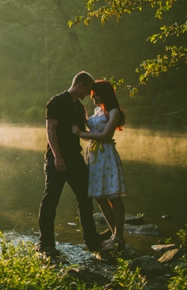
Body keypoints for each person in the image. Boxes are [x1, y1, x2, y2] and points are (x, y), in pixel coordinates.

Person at [37, 71, 103, 256]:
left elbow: (83, 133)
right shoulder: (56, 102)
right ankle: (46, 243)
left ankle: (92, 241)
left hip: (75, 159)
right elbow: (51, 130)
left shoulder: (79, 107)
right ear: (80, 85)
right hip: (57, 159)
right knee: (51, 201)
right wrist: (58, 157)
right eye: (87, 90)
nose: (88, 94)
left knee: (85, 199)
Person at [72, 79, 127, 251]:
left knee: (113, 196)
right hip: (94, 156)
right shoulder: (97, 111)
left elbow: (104, 135)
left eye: (94, 95)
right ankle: (114, 235)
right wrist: (83, 119)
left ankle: (118, 237)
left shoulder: (113, 112)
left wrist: (81, 132)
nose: (92, 98)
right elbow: (90, 135)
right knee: (100, 197)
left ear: (103, 94)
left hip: (107, 156)